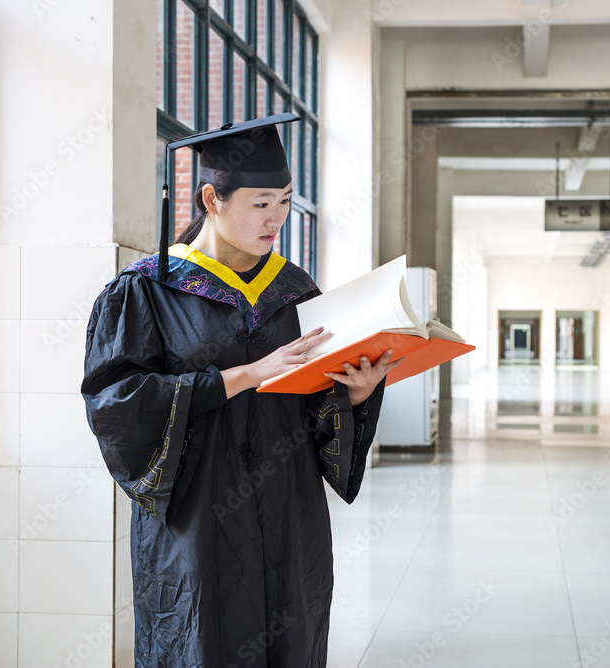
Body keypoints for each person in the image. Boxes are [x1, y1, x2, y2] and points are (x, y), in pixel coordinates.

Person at [81, 113, 398, 667]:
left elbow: (313, 403)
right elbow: (116, 400)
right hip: (198, 514)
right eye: (260, 203)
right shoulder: (149, 290)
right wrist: (243, 376)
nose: (276, 218)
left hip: (287, 508)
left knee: (289, 640)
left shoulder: (296, 292)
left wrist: (353, 394)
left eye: (285, 201)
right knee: (203, 640)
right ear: (212, 198)